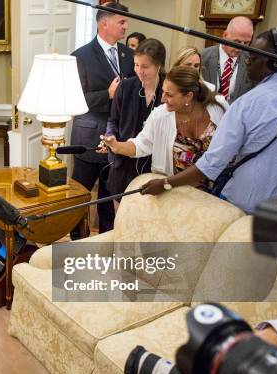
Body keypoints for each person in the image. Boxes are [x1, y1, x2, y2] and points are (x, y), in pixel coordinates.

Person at [140, 29, 277, 215]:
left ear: (273, 62)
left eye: (253, 57)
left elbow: (210, 164)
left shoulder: (245, 105)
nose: (246, 61)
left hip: (243, 210)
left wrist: (165, 183)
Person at [100, 66, 228, 190]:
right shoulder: (160, 116)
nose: (162, 99)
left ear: (188, 96)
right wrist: (117, 146)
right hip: (176, 194)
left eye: (169, 95)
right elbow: (141, 145)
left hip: (216, 193)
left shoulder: (218, 107)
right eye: (163, 92)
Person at [70, 1, 134, 236]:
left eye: (126, 22)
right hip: (88, 137)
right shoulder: (80, 56)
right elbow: (75, 100)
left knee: (109, 199)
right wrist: (107, 95)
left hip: (118, 139)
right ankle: (77, 242)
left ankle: (108, 242)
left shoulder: (129, 55)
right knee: (79, 197)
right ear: (104, 23)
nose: (126, 27)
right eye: (122, 22)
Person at [105, 38, 166, 209]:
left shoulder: (168, 90)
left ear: (159, 65)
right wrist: (111, 138)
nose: (139, 71)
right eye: (136, 65)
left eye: (145, 66)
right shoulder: (125, 86)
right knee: (121, 216)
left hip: (154, 165)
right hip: (123, 162)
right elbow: (113, 120)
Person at [201, 16, 255, 102]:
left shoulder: (252, 63)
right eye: (237, 42)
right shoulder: (202, 57)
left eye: (246, 43)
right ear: (225, 35)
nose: (241, 48)